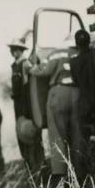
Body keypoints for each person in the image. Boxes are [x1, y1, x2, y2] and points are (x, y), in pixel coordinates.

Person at [30, 38, 82, 179]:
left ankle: (60, 173)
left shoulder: (56, 53)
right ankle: (79, 172)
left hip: (59, 93)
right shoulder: (78, 52)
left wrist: (33, 68)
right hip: (77, 93)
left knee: (57, 134)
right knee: (77, 133)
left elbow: (44, 71)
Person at [8, 37, 44, 171]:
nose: (13, 52)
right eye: (12, 49)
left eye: (16, 49)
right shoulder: (14, 65)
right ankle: (29, 163)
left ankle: (38, 163)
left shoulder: (25, 64)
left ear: (21, 50)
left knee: (31, 132)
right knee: (20, 133)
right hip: (18, 104)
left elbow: (33, 77)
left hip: (26, 104)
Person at [70, 29, 95, 177]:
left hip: (84, 103)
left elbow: (75, 82)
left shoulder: (73, 62)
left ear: (76, 44)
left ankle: (84, 173)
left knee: (83, 138)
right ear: (89, 41)